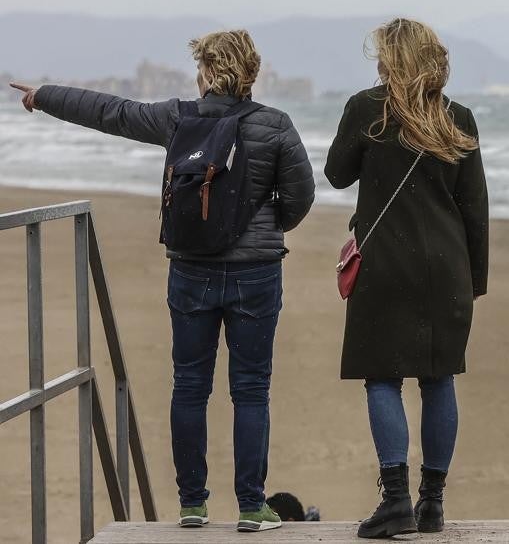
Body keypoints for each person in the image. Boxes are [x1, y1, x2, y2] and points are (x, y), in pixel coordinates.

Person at [9, 29, 315, 533]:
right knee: (251, 389)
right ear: (252, 73)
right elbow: (300, 198)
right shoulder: (275, 125)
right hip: (255, 274)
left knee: (190, 386)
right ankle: (251, 506)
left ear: (204, 73)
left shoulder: (177, 119)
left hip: (190, 269)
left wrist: (45, 96)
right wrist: (261, 227)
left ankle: (192, 504)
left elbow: (111, 111)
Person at [324, 18, 488, 539]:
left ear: (389, 58)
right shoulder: (457, 117)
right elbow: (474, 209)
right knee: (440, 379)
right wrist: (474, 281)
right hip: (449, 270)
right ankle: (432, 505)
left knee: (383, 376)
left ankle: (395, 501)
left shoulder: (367, 109)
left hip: (386, 267)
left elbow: (336, 172)